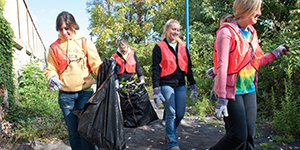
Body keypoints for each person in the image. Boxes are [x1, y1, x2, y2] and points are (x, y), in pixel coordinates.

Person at [208, 0, 290, 149]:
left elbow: (255, 62)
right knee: (238, 136)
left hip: (249, 89)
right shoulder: (226, 33)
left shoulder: (252, 32)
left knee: (249, 139)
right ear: (246, 9)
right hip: (232, 92)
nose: (259, 13)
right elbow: (222, 65)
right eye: (257, 9)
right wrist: (221, 98)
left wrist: (276, 53)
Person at [44, 11, 102, 150]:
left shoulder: (84, 42)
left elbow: (96, 65)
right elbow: (50, 68)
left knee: (85, 131)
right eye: (60, 29)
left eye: (67, 28)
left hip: (85, 92)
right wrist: (51, 77)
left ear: (74, 26)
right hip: (65, 96)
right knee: (73, 133)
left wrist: (107, 72)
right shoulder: (54, 47)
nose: (64, 32)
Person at [152, 19, 198, 150]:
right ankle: (173, 143)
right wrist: (156, 89)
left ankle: (169, 132)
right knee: (171, 113)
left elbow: (188, 67)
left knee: (180, 114)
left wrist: (193, 85)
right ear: (166, 30)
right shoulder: (159, 47)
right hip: (165, 83)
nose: (175, 32)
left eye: (177, 30)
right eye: (173, 29)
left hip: (181, 83)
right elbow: (155, 69)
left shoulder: (183, 46)